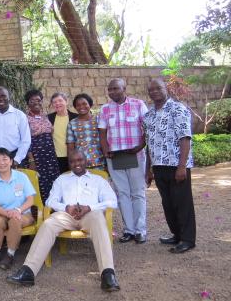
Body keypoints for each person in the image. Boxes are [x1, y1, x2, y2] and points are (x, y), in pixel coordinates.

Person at [7, 150, 120, 292]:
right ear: (69, 163)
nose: (77, 164)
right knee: (48, 224)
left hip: (90, 215)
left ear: (86, 161)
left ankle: (108, 274)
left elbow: (112, 201)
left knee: (98, 219)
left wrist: (89, 207)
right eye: (73, 161)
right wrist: (66, 207)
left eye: (80, 160)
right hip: (67, 216)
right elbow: (50, 201)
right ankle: (28, 271)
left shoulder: (98, 180)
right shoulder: (62, 179)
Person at [143, 78, 196, 253]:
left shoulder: (178, 109)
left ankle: (187, 239)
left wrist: (182, 167)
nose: (154, 91)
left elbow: (185, 138)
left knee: (182, 203)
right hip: (158, 166)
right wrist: (149, 170)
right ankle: (177, 235)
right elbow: (149, 143)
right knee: (168, 204)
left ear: (166, 89)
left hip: (176, 165)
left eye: (158, 88)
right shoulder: (149, 115)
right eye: (151, 89)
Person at [99, 78, 149, 244]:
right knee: (122, 194)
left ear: (124, 88)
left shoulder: (138, 104)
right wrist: (106, 151)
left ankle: (140, 230)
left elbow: (148, 129)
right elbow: (102, 133)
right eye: (110, 89)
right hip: (116, 158)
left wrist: (140, 146)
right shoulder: (105, 109)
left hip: (135, 156)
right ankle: (129, 230)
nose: (112, 92)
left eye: (115, 88)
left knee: (138, 193)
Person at [0, 148, 36, 270]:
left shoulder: (21, 177)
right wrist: (8, 213)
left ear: (11, 161)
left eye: (5, 159)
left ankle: (10, 254)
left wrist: (17, 211)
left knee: (15, 221)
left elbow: (31, 200)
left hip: (23, 213)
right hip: (2, 213)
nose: (1, 163)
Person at [0, 87, 31, 171]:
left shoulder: (19, 115)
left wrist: (16, 160)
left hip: (14, 157)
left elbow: (26, 140)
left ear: (9, 97)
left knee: (16, 184)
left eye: (3, 96)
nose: (0, 99)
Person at [24, 90, 60, 201]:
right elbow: (25, 140)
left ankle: (53, 211)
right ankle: (39, 214)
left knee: (54, 184)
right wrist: (31, 160)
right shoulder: (24, 119)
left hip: (50, 157)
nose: (36, 102)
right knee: (38, 185)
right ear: (27, 103)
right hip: (36, 158)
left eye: (38, 100)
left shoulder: (45, 116)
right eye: (32, 100)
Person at [67, 93, 105, 169]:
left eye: (84, 104)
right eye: (78, 105)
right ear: (75, 107)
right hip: (81, 164)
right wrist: (71, 164)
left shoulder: (99, 120)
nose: (81, 107)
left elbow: (105, 139)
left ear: (90, 104)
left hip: (100, 162)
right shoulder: (72, 123)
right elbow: (70, 147)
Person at [47, 93, 77, 173]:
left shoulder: (75, 117)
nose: (57, 103)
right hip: (56, 157)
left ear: (66, 102)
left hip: (73, 156)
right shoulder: (49, 118)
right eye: (54, 102)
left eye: (60, 100)